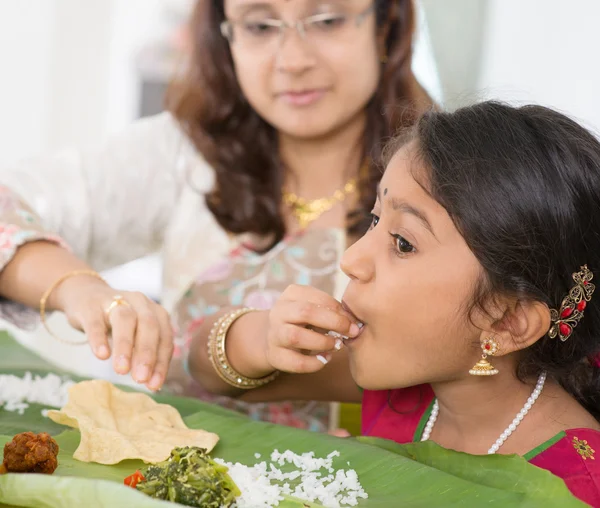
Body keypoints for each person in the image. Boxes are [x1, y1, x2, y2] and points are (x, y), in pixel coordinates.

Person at [0, 0, 431, 431]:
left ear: (385, 26)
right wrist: (81, 291)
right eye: (260, 26)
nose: (293, 60)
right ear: (225, 36)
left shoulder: (449, 177)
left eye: (327, 21)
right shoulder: (181, 154)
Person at [190, 101, 600, 505]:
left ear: (508, 320)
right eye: (374, 219)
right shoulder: (410, 383)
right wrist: (263, 338)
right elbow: (210, 374)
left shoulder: (577, 487)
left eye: (403, 243)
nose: (350, 260)